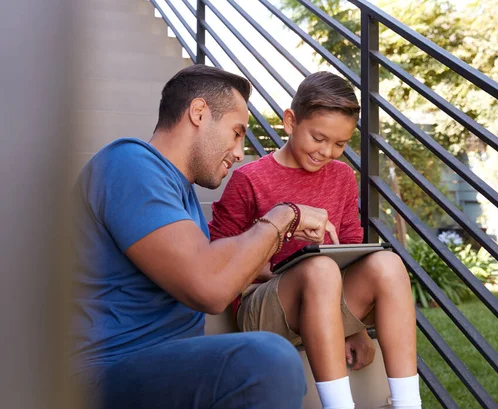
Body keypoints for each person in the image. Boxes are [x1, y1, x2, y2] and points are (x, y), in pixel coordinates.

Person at [70, 64, 336, 409]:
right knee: (267, 360)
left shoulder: (180, 196)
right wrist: (283, 217)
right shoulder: (129, 163)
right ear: (198, 113)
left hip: (165, 365)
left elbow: (206, 267)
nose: (240, 152)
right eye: (237, 132)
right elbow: (209, 288)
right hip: (104, 370)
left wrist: (271, 267)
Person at [209, 72, 421, 409]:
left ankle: (409, 403)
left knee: (388, 263)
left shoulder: (341, 177)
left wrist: (356, 330)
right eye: (319, 138)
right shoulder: (249, 179)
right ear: (291, 121)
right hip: (264, 309)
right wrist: (276, 248)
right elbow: (217, 259)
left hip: (327, 300)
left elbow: (352, 247)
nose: (327, 152)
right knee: (319, 268)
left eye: (340, 144)